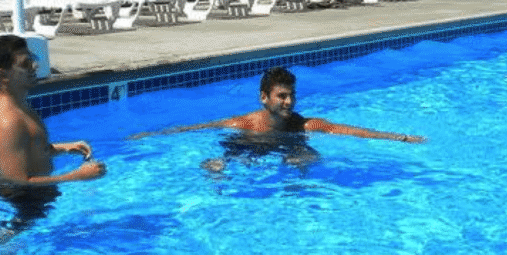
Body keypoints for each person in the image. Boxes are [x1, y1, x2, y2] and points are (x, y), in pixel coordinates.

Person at [131, 66, 425, 170]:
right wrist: (150, 136)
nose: (289, 101)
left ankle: (296, 189)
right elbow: (197, 127)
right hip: (251, 144)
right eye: (282, 96)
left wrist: (399, 137)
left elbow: (347, 130)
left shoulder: (303, 124)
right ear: (264, 98)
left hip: (287, 146)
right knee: (228, 157)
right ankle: (221, 169)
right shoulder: (244, 123)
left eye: (292, 95)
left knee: (307, 157)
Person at [0, 35, 106, 238]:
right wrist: (77, 176)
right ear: (4, 75)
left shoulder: (19, 104)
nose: (35, 67)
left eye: (32, 59)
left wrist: (63, 148)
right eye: (25, 64)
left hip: (28, 198)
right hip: (19, 206)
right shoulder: (8, 121)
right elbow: (18, 181)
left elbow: (27, 148)